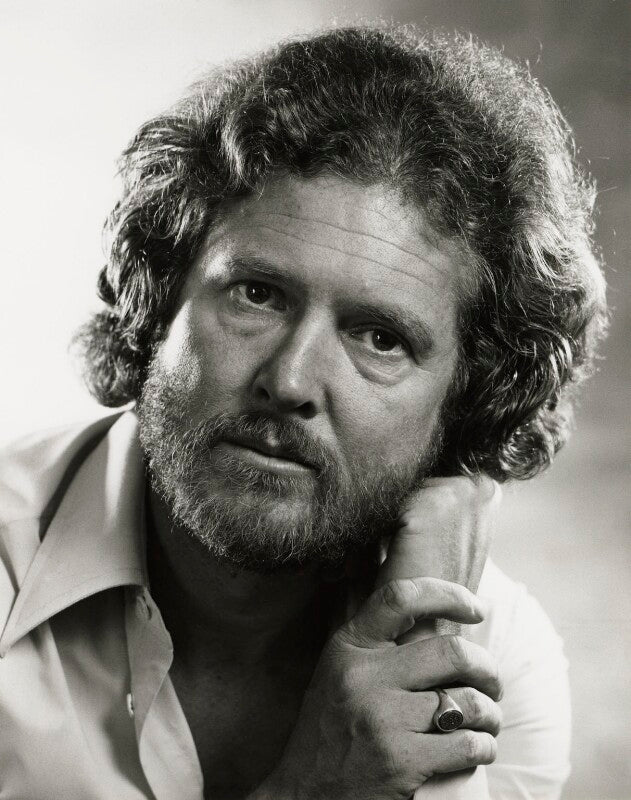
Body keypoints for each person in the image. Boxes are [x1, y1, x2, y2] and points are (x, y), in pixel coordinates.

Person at [0, 24, 606, 800]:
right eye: (256, 294)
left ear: (464, 407)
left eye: (379, 338)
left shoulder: (498, 661)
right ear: (160, 304)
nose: (289, 380)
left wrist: (422, 647)